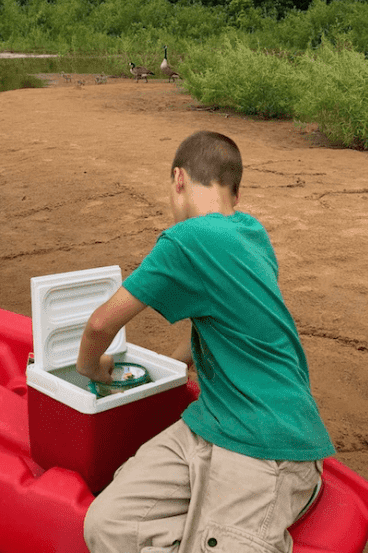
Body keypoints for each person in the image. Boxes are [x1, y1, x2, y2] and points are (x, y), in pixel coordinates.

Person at [76, 130, 335, 553]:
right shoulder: (250, 232)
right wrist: (177, 361)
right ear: (235, 189)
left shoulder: (187, 240)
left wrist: (92, 368)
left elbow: (100, 327)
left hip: (268, 440)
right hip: (211, 424)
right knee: (108, 525)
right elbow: (223, 316)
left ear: (179, 179)